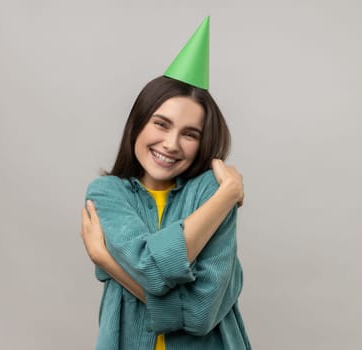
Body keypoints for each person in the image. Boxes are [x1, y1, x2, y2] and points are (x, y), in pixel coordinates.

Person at [80, 17, 251, 350]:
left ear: (202, 143)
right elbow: (152, 269)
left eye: (189, 134)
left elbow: (202, 313)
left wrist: (109, 262)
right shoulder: (107, 194)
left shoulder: (210, 192)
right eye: (161, 124)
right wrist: (228, 195)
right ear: (139, 124)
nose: (171, 144)